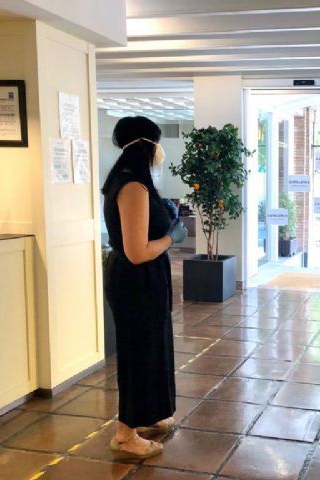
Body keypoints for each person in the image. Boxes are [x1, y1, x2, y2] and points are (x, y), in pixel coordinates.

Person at [102, 116, 187, 458]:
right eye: (157, 143)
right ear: (145, 146)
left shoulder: (132, 182)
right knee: (138, 353)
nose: (160, 151)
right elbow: (137, 252)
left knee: (152, 347)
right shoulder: (132, 186)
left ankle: (148, 413)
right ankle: (125, 434)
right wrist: (172, 237)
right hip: (135, 281)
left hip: (144, 280)